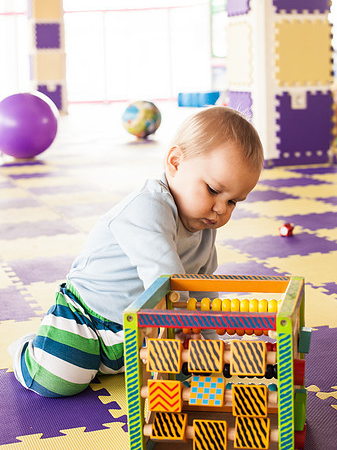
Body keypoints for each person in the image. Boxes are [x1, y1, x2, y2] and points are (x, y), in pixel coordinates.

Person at [9, 105, 264, 397]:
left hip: (142, 329)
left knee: (181, 372)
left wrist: (209, 346)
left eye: (234, 202)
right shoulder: (149, 207)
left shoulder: (206, 228)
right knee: (57, 379)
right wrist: (187, 327)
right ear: (176, 162)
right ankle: (29, 349)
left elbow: (203, 291)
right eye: (213, 190)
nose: (221, 209)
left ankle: (114, 360)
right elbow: (164, 279)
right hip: (88, 316)